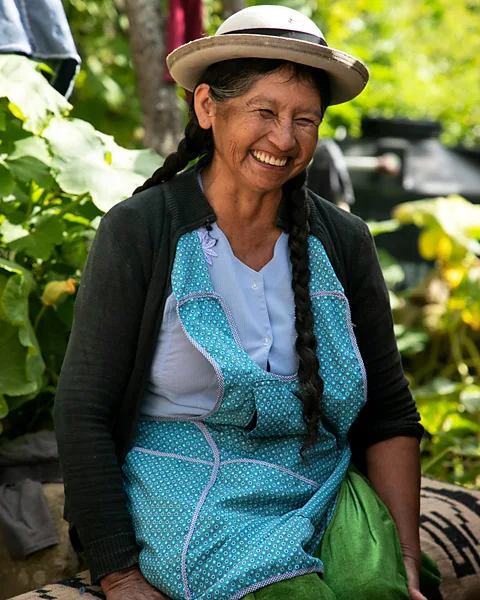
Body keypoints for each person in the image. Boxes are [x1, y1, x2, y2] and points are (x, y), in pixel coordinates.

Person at [54, 5, 438, 600]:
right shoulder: (141, 230)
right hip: (188, 487)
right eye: (264, 112)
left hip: (321, 480)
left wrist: (406, 560)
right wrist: (120, 575)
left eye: (304, 119)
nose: (284, 139)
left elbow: (389, 413)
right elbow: (83, 410)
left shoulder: (343, 241)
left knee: (376, 588)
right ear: (208, 107)